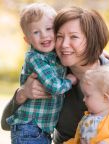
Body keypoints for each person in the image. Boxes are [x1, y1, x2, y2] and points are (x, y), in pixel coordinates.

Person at [1, 6, 109, 144]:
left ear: (91, 41)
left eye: (74, 37)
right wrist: (21, 94)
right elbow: (6, 124)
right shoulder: (53, 71)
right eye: (59, 36)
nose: (63, 44)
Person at [6, 3, 77, 144]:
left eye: (49, 28)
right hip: (29, 129)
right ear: (27, 39)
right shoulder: (35, 57)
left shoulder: (54, 53)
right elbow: (54, 86)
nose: (44, 35)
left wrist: (96, 51)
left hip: (41, 130)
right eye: (36, 32)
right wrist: (70, 80)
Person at [65, 65, 109, 144]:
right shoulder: (86, 118)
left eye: (87, 96)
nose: (83, 99)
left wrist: (107, 142)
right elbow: (77, 140)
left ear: (105, 97)